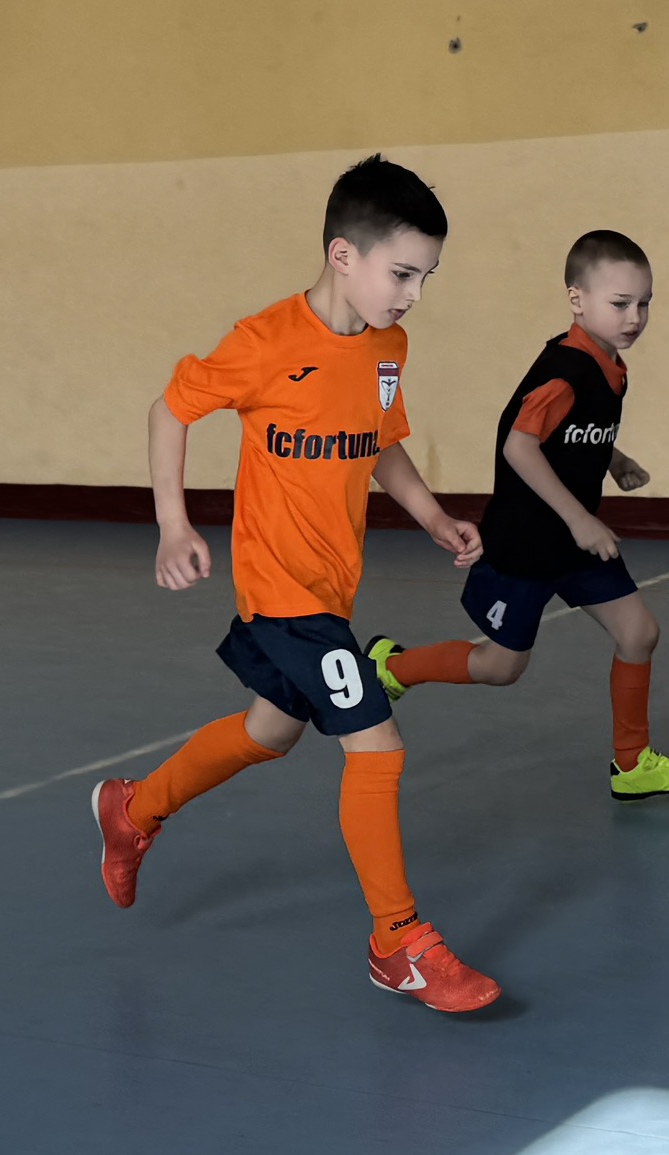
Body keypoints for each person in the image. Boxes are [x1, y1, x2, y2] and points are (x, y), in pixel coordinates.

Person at [90, 155, 500, 1013]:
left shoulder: (386, 346)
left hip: (330, 584)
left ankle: (135, 809)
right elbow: (171, 409)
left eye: (426, 277)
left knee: (267, 732)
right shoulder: (266, 342)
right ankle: (397, 943)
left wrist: (432, 516)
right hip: (281, 594)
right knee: (377, 746)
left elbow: (378, 438)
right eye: (402, 274)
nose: (414, 294)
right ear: (343, 255)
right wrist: (173, 523)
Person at [365, 230, 669, 801]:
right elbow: (520, 446)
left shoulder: (610, 365)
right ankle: (392, 668)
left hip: (572, 545)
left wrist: (614, 460)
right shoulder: (564, 371)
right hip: (525, 545)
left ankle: (633, 765)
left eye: (644, 303)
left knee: (639, 633)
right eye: (620, 303)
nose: (634, 317)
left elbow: (571, 433)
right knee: (502, 668)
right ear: (577, 299)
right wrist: (580, 519)